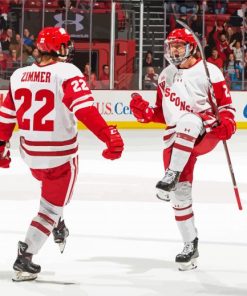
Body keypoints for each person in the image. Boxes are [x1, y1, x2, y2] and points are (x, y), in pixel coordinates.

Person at [0, 27, 124, 281]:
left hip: (30, 155)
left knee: (50, 190)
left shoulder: (19, 75)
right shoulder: (67, 72)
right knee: (50, 207)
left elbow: (6, 116)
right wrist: (106, 135)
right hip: (60, 156)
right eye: (65, 45)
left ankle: (57, 221)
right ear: (57, 48)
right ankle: (26, 257)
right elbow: (85, 110)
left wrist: (1, 145)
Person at [130, 28, 236, 271]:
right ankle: (191, 246)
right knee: (180, 196)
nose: (174, 50)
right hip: (175, 138)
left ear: (191, 47)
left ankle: (170, 174)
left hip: (204, 131)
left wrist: (228, 124)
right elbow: (162, 113)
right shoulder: (165, 75)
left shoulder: (210, 71)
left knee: (189, 120)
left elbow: (226, 106)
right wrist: (146, 114)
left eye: (179, 45)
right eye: (172, 46)